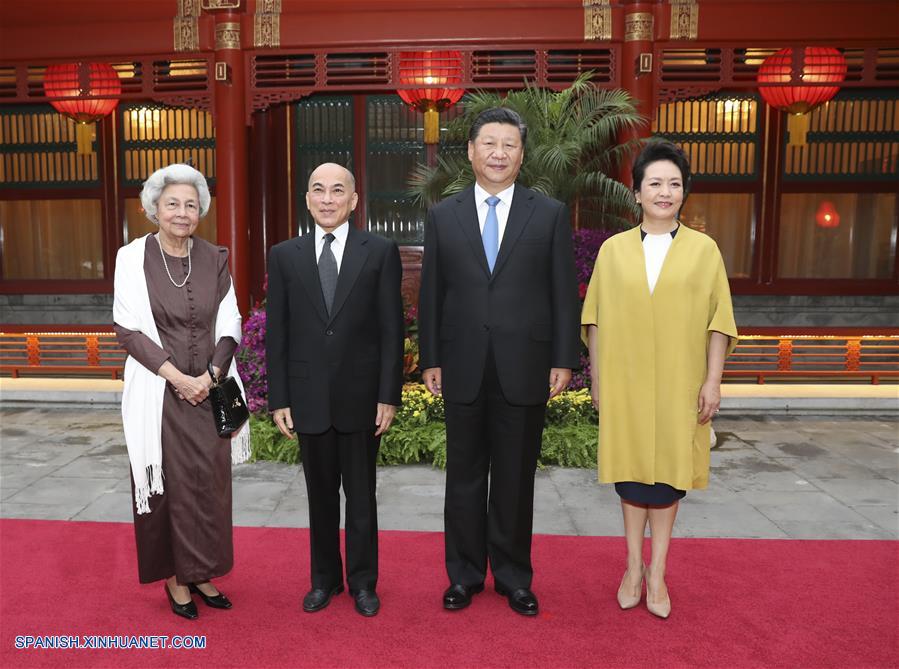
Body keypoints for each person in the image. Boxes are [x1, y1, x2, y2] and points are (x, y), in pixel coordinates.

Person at [418, 107, 581, 616]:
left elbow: (562, 292)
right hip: (462, 363)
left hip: (525, 364)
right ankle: (463, 576)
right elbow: (431, 295)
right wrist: (431, 358)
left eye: (509, 145)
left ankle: (513, 577)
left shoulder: (549, 213)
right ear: (470, 152)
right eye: (489, 143)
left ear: (522, 154)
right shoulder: (444, 215)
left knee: (515, 477)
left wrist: (563, 358)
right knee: (463, 476)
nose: (499, 153)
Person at [581, 140, 738, 619]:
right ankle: (632, 567)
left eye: (674, 183)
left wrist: (712, 381)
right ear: (637, 192)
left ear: (684, 192)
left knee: (668, 481)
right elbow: (594, 323)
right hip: (625, 382)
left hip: (679, 382)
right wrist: (599, 383)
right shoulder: (613, 251)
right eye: (655, 183)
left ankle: (658, 573)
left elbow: (719, 322)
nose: (664, 192)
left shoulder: (703, 250)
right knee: (631, 478)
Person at [113, 163, 250, 620]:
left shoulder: (215, 257)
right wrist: (177, 377)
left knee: (209, 487)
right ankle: (176, 578)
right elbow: (127, 328)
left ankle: (201, 570)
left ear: (201, 211)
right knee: (169, 488)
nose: (182, 212)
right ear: (154, 207)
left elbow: (231, 320)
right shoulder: (131, 258)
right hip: (160, 392)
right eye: (172, 203)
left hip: (208, 393)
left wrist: (211, 375)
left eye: (191, 205)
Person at [266, 162, 403, 617]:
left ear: (354, 200)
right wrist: (280, 398)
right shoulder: (284, 255)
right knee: (319, 496)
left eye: (337, 190)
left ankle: (364, 583)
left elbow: (391, 330)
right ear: (307, 199)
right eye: (318, 190)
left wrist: (388, 395)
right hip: (308, 398)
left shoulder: (380, 251)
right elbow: (278, 333)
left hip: (361, 398)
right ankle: (323, 580)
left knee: (361, 497)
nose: (328, 199)